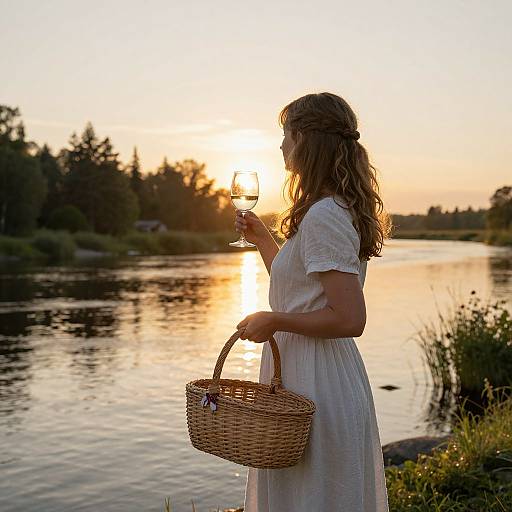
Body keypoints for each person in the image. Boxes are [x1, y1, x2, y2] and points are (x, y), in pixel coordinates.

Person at [234, 92, 391, 512]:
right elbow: (302, 292)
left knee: (313, 498)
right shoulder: (329, 209)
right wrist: (265, 240)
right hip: (309, 373)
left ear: (304, 139)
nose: (281, 146)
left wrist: (274, 321)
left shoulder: (324, 214)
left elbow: (349, 318)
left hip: (317, 382)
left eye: (285, 135)